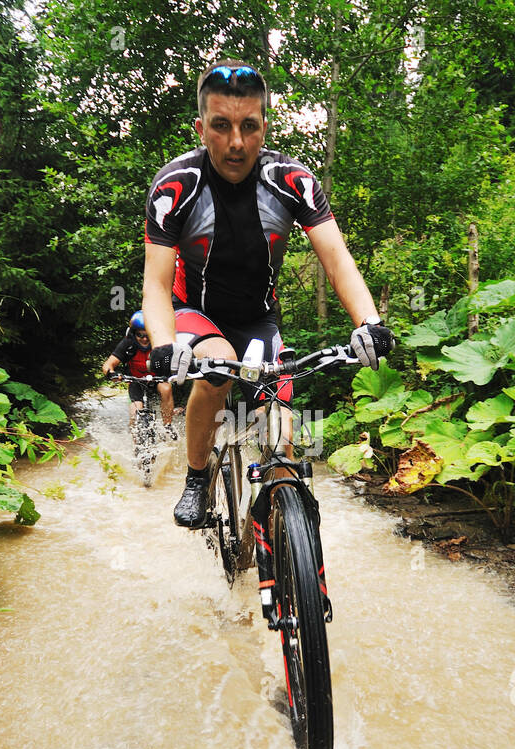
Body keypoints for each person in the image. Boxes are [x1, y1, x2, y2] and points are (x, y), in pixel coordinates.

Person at [141, 60, 393, 527]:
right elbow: (155, 285)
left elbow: (337, 261)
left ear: (264, 127)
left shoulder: (292, 181)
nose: (236, 142)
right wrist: (161, 345)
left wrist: (369, 323)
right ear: (201, 128)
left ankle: (281, 510)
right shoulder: (175, 186)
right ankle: (197, 478)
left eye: (248, 126)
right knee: (215, 372)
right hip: (196, 312)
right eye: (221, 126)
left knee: (279, 416)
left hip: (260, 318)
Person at [102, 310, 176, 428]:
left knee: (166, 388)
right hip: (135, 380)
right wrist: (112, 374)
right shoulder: (128, 343)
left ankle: (168, 426)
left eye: (147, 335)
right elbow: (108, 364)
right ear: (133, 334)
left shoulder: (160, 344)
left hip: (157, 379)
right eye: (140, 335)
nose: (144, 339)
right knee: (135, 411)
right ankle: (137, 442)